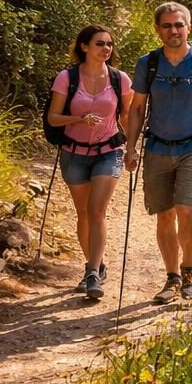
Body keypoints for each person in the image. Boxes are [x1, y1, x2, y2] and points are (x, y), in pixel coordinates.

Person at [124, 3, 192, 305]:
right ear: (158, 29)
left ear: (189, 28)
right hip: (157, 146)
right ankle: (172, 277)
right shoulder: (148, 64)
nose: (173, 30)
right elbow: (137, 108)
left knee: (187, 209)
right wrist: (131, 146)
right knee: (164, 215)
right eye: (167, 25)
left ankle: (189, 270)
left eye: (179, 25)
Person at [46, 25, 133, 300]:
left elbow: (128, 117)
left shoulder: (121, 80)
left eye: (109, 44)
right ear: (84, 47)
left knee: (96, 210)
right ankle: (96, 264)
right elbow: (53, 118)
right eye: (100, 44)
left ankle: (93, 273)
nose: (107, 49)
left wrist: (132, 147)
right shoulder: (66, 78)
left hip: (109, 150)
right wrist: (78, 119)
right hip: (74, 152)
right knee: (83, 212)